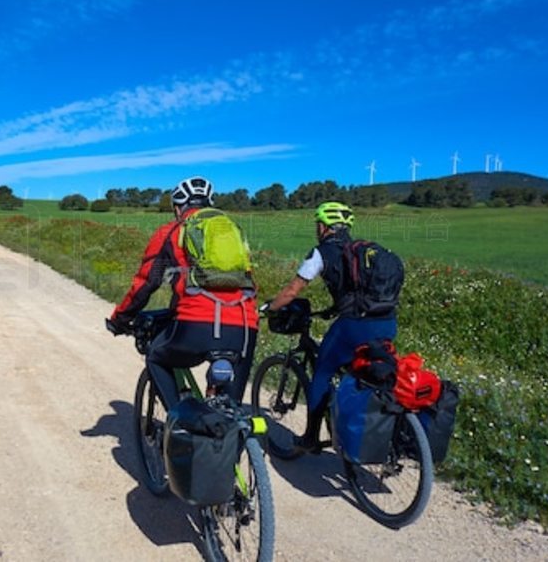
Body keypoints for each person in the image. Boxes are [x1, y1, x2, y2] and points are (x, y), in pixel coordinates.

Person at [106, 177, 259, 409]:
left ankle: (178, 420)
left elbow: (148, 281)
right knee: (232, 410)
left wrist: (121, 318)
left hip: (196, 323)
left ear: (178, 207)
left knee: (156, 357)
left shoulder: (172, 231)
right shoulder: (233, 233)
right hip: (245, 323)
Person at [264, 201, 399, 456]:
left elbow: (293, 290)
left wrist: (271, 307)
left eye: (318, 224)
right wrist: (333, 309)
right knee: (369, 370)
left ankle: (311, 438)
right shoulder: (361, 251)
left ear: (325, 227)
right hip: (387, 322)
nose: (317, 228)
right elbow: (357, 291)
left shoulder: (322, 252)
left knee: (323, 371)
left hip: (354, 325)